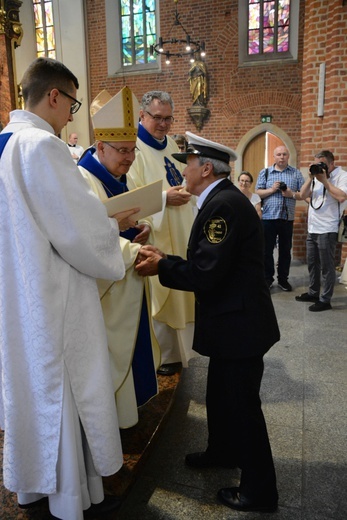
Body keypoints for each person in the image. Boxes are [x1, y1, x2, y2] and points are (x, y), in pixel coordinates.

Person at [0, 57, 139, 519]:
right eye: (72, 103)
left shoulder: (3, 143)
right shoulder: (41, 145)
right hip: (53, 295)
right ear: (54, 96)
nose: (71, 116)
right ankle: (70, 499)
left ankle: (33, 490)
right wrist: (112, 229)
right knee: (64, 390)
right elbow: (77, 233)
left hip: (18, 293)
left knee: (32, 387)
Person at [135, 132, 280, 513]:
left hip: (241, 326)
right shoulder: (219, 200)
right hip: (233, 321)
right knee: (219, 394)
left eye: (188, 163)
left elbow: (206, 273)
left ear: (204, 168)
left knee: (242, 406)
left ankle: (259, 490)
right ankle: (222, 451)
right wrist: (166, 257)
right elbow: (211, 265)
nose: (183, 169)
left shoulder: (223, 206)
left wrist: (161, 266)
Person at [78, 86, 160, 428]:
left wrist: (141, 228)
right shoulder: (83, 179)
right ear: (100, 146)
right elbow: (88, 238)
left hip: (129, 278)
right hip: (108, 290)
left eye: (132, 150)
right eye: (122, 151)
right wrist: (135, 249)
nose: (129, 158)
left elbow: (120, 219)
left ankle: (130, 411)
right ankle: (110, 420)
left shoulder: (116, 175)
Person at [128, 91, 196, 376]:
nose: (164, 124)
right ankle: (164, 355)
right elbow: (131, 194)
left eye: (168, 118)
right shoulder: (131, 149)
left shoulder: (170, 144)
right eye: (158, 118)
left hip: (180, 226)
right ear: (142, 116)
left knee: (184, 288)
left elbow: (179, 176)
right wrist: (166, 198)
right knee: (163, 291)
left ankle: (183, 353)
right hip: (157, 231)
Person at [296, 150, 347, 311]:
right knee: (312, 263)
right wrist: (311, 177)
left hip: (328, 228)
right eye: (317, 163)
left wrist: (324, 180)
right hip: (313, 227)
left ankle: (325, 299)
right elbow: (302, 195)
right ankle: (313, 292)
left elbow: (341, 197)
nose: (320, 167)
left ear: (332, 163)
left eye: (322, 163)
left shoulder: (342, 176)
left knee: (327, 266)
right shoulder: (316, 177)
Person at [256, 145, 304, 291]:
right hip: (268, 218)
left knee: (285, 251)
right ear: (274, 156)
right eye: (279, 154)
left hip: (286, 218)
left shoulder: (296, 173)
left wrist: (291, 193)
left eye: (284, 154)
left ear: (288, 156)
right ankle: (267, 279)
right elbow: (257, 192)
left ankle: (283, 280)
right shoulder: (265, 173)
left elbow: (303, 193)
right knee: (266, 251)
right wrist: (271, 190)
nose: (281, 157)